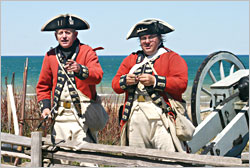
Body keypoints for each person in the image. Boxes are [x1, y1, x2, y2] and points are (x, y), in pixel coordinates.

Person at [112, 18, 188, 152]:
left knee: (169, 160)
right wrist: (125, 81)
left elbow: (181, 84)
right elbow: (115, 85)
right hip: (135, 118)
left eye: (151, 37)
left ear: (159, 38)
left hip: (162, 119)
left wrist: (155, 81)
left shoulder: (172, 58)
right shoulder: (131, 59)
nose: (147, 41)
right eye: (143, 38)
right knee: (137, 160)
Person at [36, 14, 103, 165]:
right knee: (59, 161)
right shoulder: (50, 55)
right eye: (60, 33)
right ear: (55, 36)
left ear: (75, 34)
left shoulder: (87, 52)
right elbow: (43, 86)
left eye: (68, 32)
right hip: (60, 117)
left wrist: (80, 70)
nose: (64, 36)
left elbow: (97, 76)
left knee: (88, 160)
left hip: (82, 117)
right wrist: (45, 108)